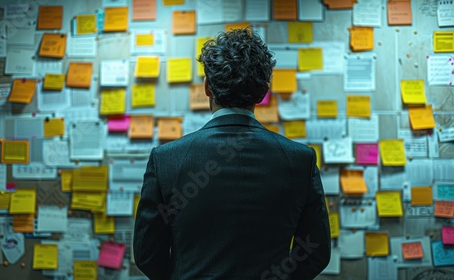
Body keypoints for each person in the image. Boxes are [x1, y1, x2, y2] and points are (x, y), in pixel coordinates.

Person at [133, 27, 331, 280]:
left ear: (207, 87)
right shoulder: (300, 159)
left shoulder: (166, 159)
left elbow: (147, 255)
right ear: (263, 91)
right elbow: (316, 252)